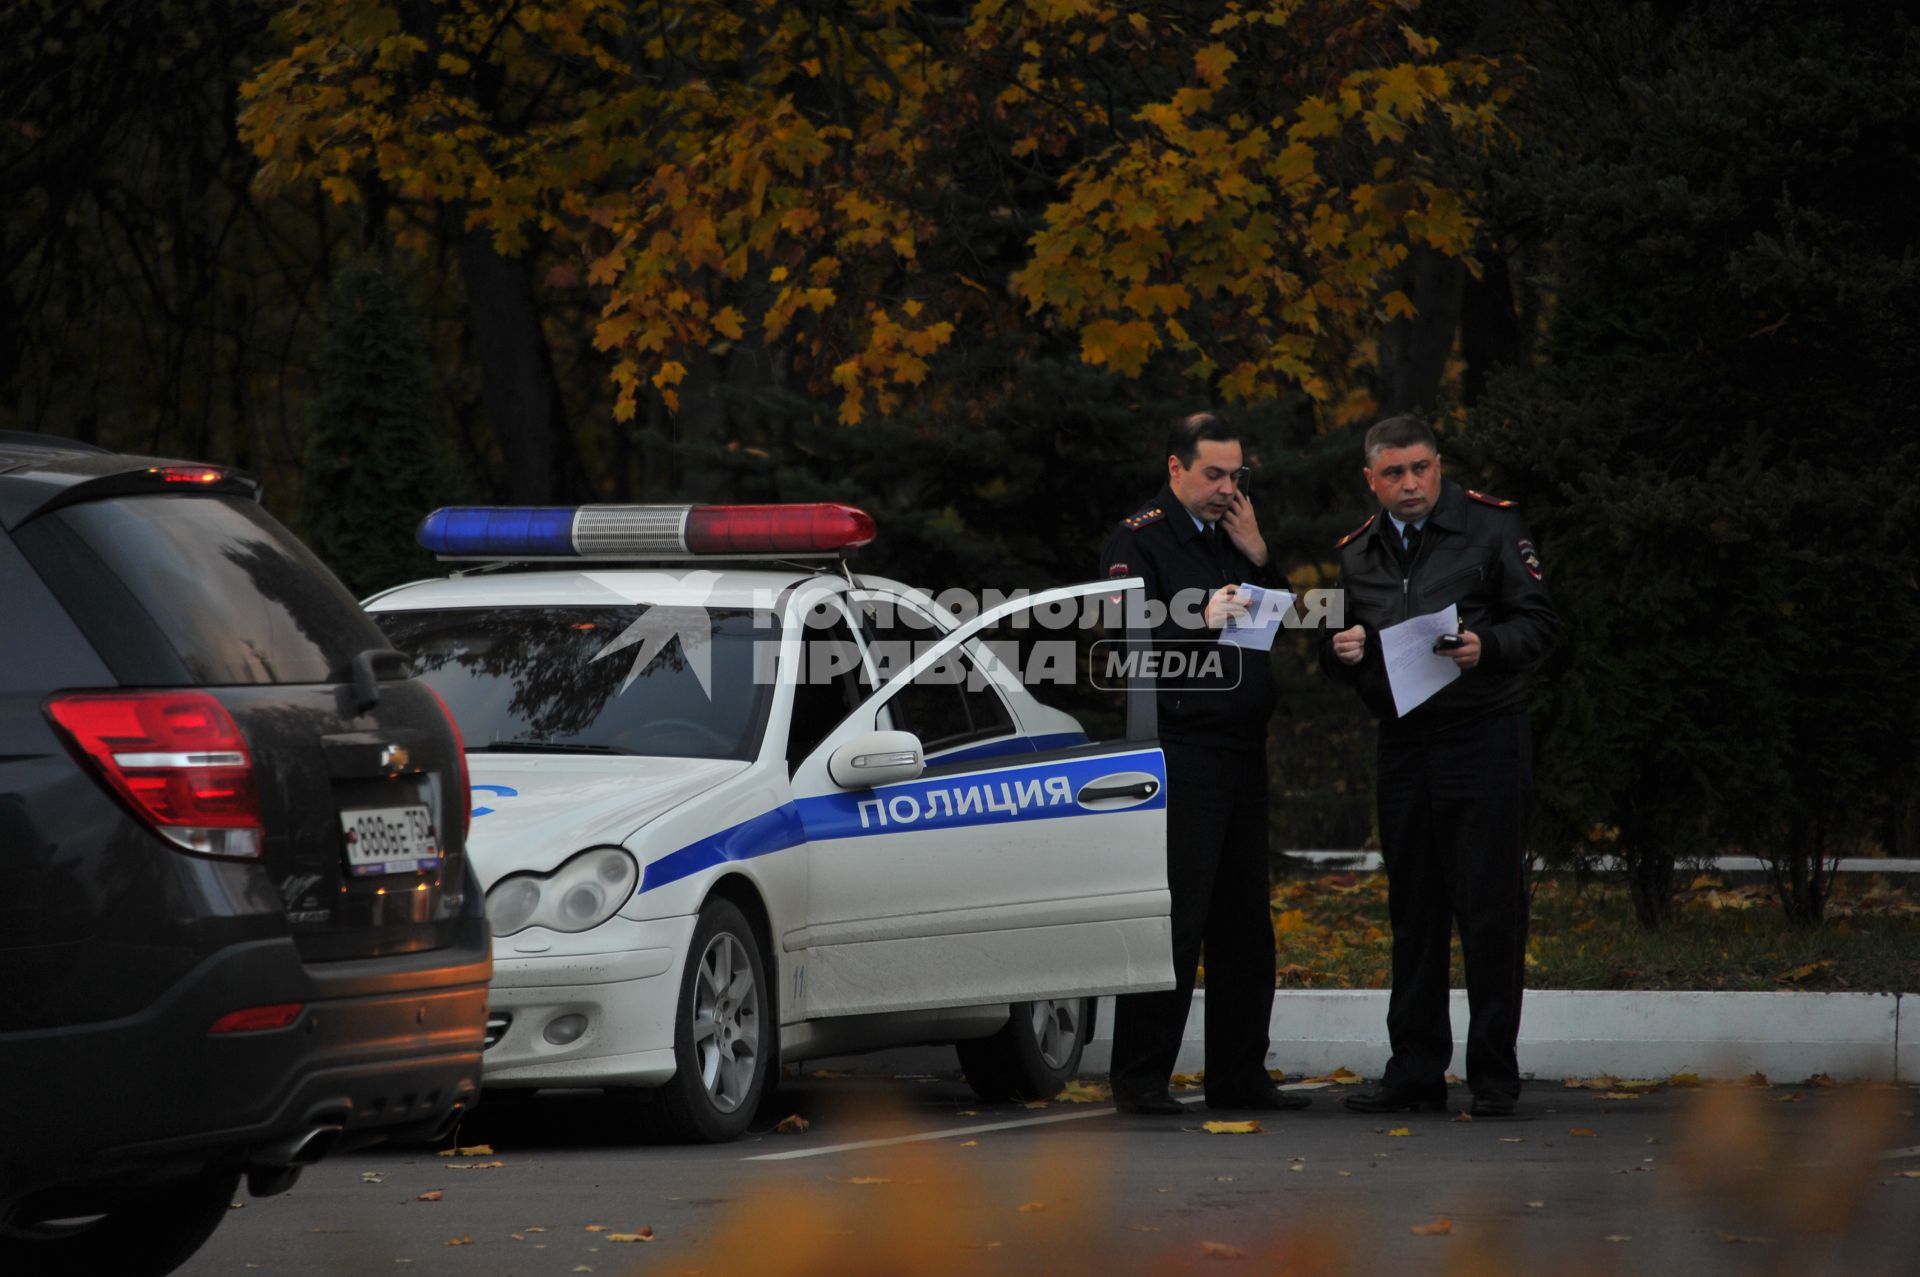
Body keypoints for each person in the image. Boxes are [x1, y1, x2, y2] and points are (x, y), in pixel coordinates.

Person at [1319, 415, 1559, 1117]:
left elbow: (1540, 623)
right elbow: (1332, 655)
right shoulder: (1357, 553)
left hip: (1484, 734)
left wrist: (1488, 644)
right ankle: (1415, 1073)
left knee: (1490, 909)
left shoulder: (1490, 528)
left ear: (1439, 466)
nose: (1411, 483)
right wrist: (1345, 655)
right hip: (1405, 744)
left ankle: (1493, 1075)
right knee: (1414, 911)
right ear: (1371, 480)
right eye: (1393, 472)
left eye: (1421, 467)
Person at [1098, 412, 1307, 1115]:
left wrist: (1260, 553)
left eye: (1235, 475)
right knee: (1177, 919)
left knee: (1247, 923)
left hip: (1243, 751)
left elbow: (1280, 620)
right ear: (1176, 469)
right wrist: (1195, 616)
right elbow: (1118, 641)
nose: (1227, 488)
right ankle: (1141, 1077)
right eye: (1214, 474)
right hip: (1181, 753)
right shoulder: (1141, 538)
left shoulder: (1233, 535)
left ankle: (1239, 1073)